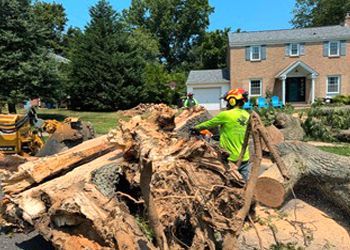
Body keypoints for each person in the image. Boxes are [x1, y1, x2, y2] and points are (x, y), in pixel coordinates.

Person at [193, 88, 251, 180]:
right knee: (245, 184)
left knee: (228, 184)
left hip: (230, 158)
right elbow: (237, 130)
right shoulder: (247, 115)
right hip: (245, 157)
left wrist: (195, 128)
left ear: (232, 101)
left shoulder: (225, 115)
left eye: (228, 101)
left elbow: (209, 124)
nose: (227, 104)